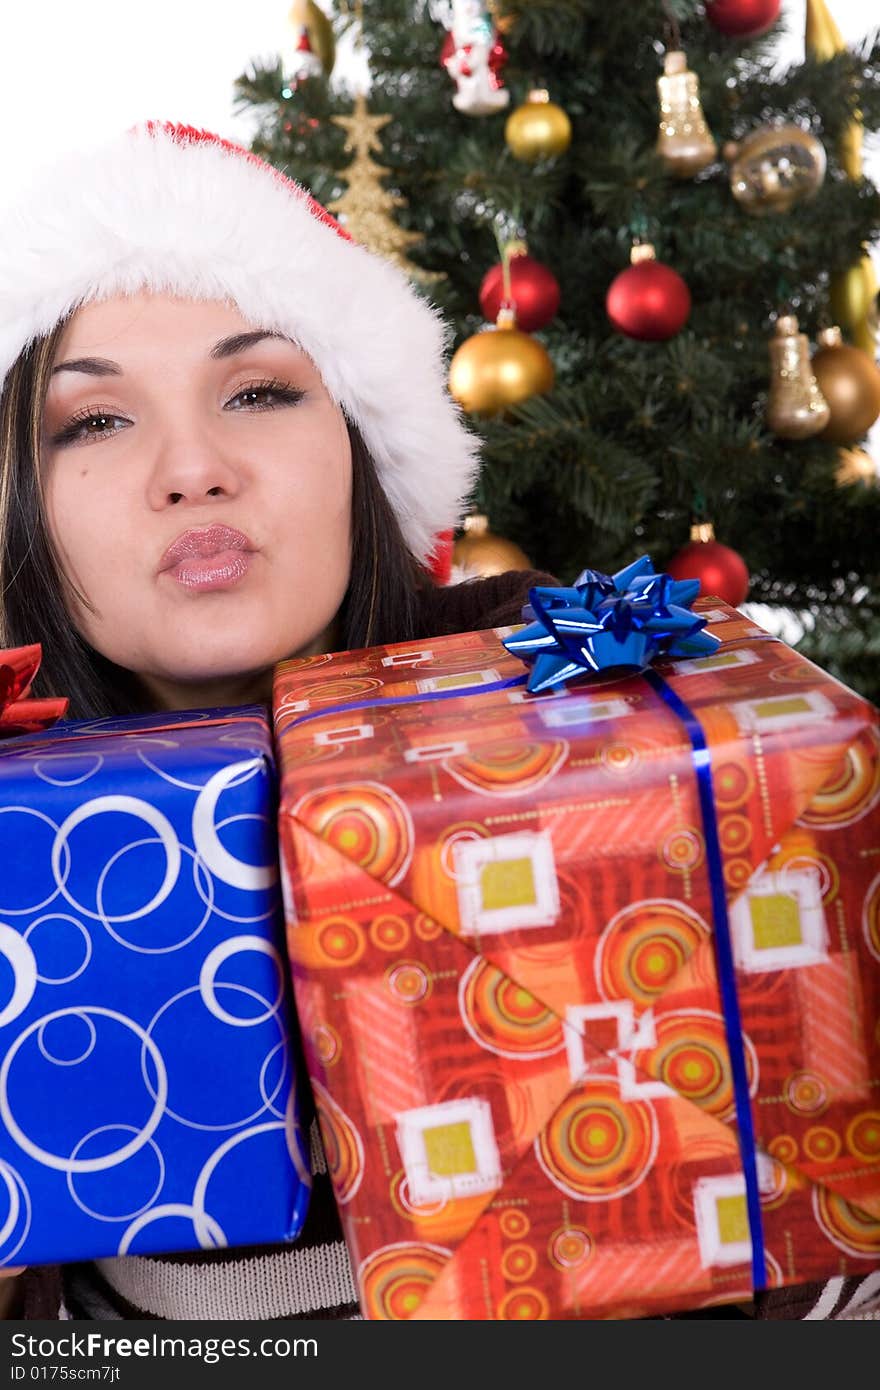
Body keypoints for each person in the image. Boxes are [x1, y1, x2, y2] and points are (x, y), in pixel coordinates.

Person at [0, 123, 875, 1324]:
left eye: (257, 390)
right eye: (93, 422)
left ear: (359, 450)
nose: (192, 468)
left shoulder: (598, 729)